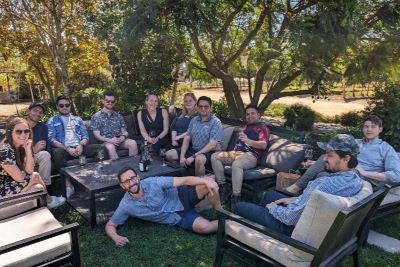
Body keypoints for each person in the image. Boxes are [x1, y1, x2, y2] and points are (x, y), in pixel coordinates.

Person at [234, 134, 363, 236]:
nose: (324, 159)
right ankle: (257, 217)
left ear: (346, 159)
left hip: (291, 230)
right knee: (270, 195)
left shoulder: (325, 184)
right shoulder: (355, 179)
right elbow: (314, 202)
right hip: (312, 219)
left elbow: (291, 218)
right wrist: (294, 199)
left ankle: (250, 223)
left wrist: (272, 207)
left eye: (329, 155)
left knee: (240, 207)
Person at [105, 167, 222, 247]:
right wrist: (115, 237)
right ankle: (228, 223)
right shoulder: (126, 205)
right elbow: (110, 225)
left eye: (132, 178)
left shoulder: (153, 182)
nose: (131, 183)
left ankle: (220, 212)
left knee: (210, 185)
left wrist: (206, 182)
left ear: (138, 177)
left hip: (181, 196)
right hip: (178, 217)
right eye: (126, 182)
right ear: (122, 186)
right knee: (205, 228)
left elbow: (184, 180)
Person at [286, 115, 400, 194]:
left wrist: (364, 172)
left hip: (361, 180)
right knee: (324, 160)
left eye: (373, 127)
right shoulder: (356, 142)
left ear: (380, 129)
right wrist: (318, 163)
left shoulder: (385, 149)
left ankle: (296, 193)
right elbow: (337, 157)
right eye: (366, 126)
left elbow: (396, 175)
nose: (369, 129)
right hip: (343, 171)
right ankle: (296, 191)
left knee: (322, 176)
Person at [211, 105, 270, 208]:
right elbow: (232, 128)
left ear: (258, 115)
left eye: (253, 113)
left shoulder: (262, 128)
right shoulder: (245, 126)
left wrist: (248, 141)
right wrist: (221, 127)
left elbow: (263, 144)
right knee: (215, 156)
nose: (250, 116)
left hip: (250, 156)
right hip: (235, 153)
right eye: (247, 114)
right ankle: (223, 187)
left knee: (237, 164)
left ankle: (236, 196)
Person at [0, 117, 65, 208]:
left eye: (26, 131)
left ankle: (44, 206)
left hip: (10, 184)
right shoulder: (5, 151)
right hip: (2, 189)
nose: (23, 134)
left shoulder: (20, 146)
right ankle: (49, 201)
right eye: (19, 131)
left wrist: (27, 150)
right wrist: (22, 173)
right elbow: (20, 178)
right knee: (36, 176)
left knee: (38, 188)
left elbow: (29, 171)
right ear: (11, 132)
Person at [47, 95, 104, 198]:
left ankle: (95, 177)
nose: (64, 107)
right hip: (64, 149)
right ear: (57, 107)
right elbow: (52, 140)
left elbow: (85, 136)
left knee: (100, 148)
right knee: (57, 152)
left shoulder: (77, 119)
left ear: (70, 106)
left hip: (79, 147)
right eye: (61, 105)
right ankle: (68, 185)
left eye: (67, 105)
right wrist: (67, 148)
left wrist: (81, 145)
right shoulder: (52, 120)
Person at [179, 96, 222, 176]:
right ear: (197, 108)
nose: (203, 109)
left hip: (209, 152)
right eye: (201, 106)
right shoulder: (194, 120)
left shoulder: (215, 122)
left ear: (211, 108)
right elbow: (187, 138)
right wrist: (182, 156)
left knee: (199, 160)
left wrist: (194, 156)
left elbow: (212, 145)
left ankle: (200, 185)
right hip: (194, 149)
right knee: (170, 155)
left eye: (206, 106)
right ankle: (186, 176)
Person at [91, 91, 138, 160]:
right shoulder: (96, 117)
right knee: (111, 147)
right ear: (103, 101)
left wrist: (123, 136)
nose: (110, 103)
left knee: (133, 143)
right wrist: (110, 140)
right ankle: (118, 169)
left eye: (112, 101)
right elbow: (97, 136)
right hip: (106, 142)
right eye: (107, 101)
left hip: (120, 141)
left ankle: (133, 167)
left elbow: (125, 132)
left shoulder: (118, 116)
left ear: (115, 102)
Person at [165, 92, 197, 162]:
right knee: (161, 151)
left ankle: (180, 169)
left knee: (168, 155)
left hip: (189, 144)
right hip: (176, 142)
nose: (188, 103)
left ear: (195, 102)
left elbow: (192, 130)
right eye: (186, 101)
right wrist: (174, 139)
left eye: (190, 100)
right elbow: (173, 127)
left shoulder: (197, 116)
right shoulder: (181, 114)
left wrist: (178, 137)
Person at [26, 102, 52, 186]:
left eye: (40, 112)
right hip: (20, 157)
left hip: (34, 156)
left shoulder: (43, 127)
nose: (38, 114)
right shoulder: (19, 126)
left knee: (45, 154)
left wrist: (34, 151)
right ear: (28, 111)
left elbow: (42, 146)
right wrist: (33, 149)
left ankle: (44, 188)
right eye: (35, 110)